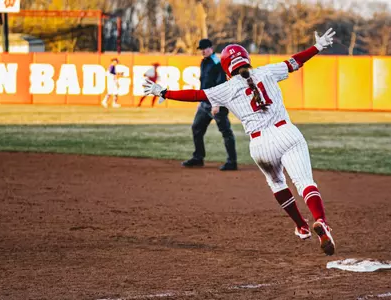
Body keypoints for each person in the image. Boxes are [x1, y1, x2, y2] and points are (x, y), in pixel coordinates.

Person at [144, 29, 337, 256]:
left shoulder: (226, 89)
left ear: (226, 67)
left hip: (259, 146)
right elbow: (296, 61)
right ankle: (320, 221)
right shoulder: (267, 71)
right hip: (286, 133)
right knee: (304, 182)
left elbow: (196, 95)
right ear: (247, 59)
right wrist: (318, 47)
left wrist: (164, 92)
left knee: (277, 184)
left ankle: (301, 226)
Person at [181, 39, 238, 171]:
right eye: (201, 49)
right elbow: (204, 84)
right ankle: (198, 158)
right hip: (204, 103)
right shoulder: (204, 62)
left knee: (226, 132)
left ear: (211, 48)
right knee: (196, 128)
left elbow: (222, 84)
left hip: (217, 104)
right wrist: (200, 101)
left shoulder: (217, 63)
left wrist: (216, 104)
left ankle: (232, 161)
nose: (202, 51)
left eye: (204, 49)